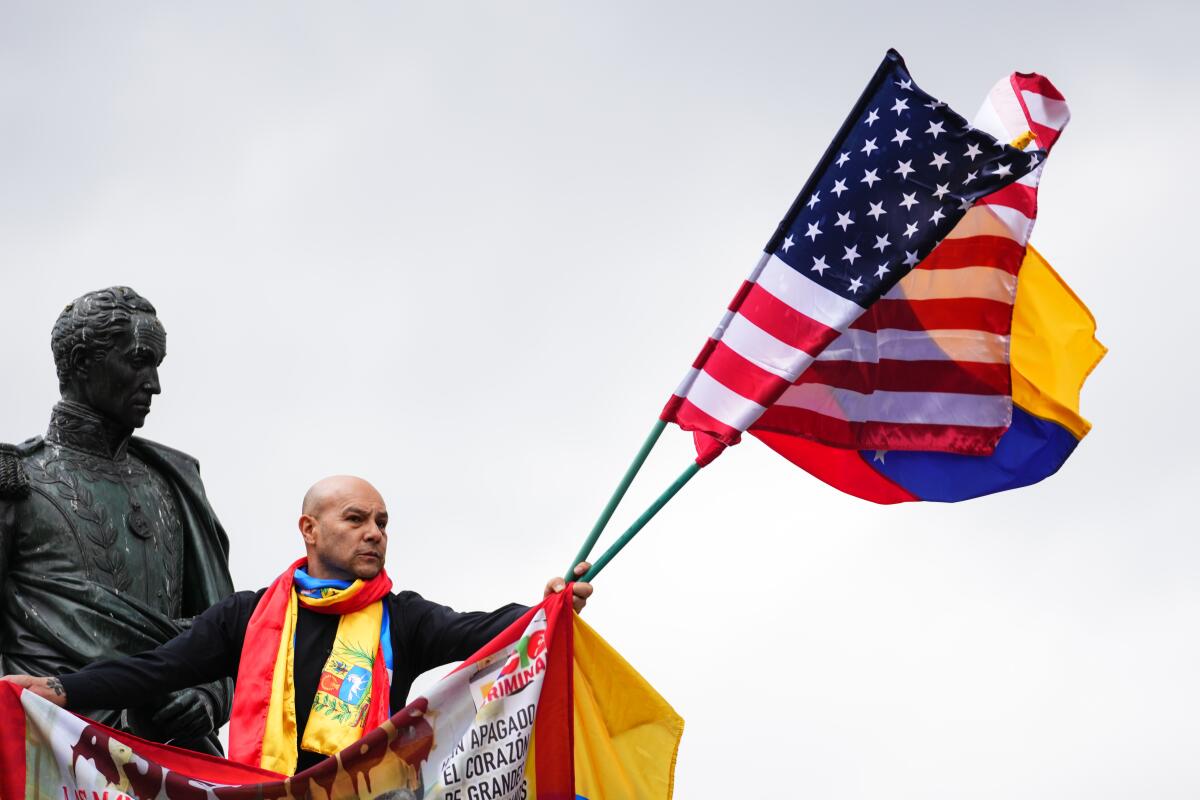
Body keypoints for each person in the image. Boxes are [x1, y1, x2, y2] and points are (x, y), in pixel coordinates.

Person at [5, 474, 593, 776]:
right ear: (308, 529)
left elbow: (480, 630)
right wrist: (62, 690)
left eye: (382, 523)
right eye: (356, 519)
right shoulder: (248, 614)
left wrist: (546, 606)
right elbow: (157, 670)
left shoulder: (401, 616)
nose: (374, 533)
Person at [0, 286, 235, 754]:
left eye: (157, 365)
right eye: (138, 361)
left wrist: (207, 696)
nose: (154, 383)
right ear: (84, 362)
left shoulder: (176, 482)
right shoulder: (15, 481)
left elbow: (227, 631)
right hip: (56, 750)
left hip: (172, 754)